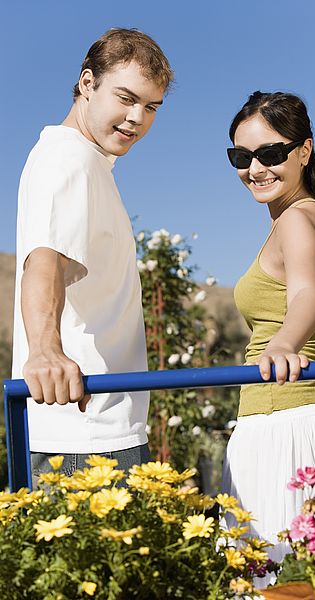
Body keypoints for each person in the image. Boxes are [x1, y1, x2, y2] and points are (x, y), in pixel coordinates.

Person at [220, 91, 315, 584]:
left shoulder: (297, 218)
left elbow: (306, 296)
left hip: (290, 428)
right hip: (311, 423)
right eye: (242, 157)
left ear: (304, 151)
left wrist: (285, 343)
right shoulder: (308, 216)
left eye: (270, 153)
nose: (256, 168)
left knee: (281, 585)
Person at [11, 28, 174, 488]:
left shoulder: (89, 163)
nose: (137, 117)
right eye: (126, 97)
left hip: (98, 424)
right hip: (84, 434)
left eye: (151, 107)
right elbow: (46, 259)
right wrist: (44, 349)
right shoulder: (68, 158)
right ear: (87, 83)